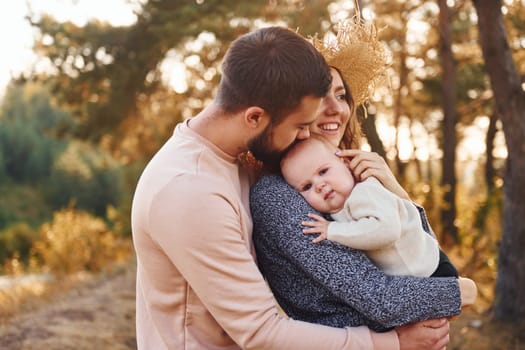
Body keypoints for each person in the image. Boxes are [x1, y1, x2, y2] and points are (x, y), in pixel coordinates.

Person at [132, 25, 418, 350]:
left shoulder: (238, 160)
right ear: (254, 117)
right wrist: (393, 344)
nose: (306, 136)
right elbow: (260, 332)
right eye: (299, 126)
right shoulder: (189, 189)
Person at [250, 19, 476, 338]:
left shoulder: (349, 173)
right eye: (319, 98)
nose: (335, 109)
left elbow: (417, 252)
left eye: (341, 96)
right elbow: (377, 297)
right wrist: (459, 292)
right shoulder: (278, 194)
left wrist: (394, 189)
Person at [280, 133, 458, 278]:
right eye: (307, 186)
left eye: (323, 171)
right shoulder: (336, 210)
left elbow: (386, 230)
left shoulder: (366, 191)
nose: (319, 185)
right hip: (413, 277)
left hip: (432, 270)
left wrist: (331, 230)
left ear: (345, 162)